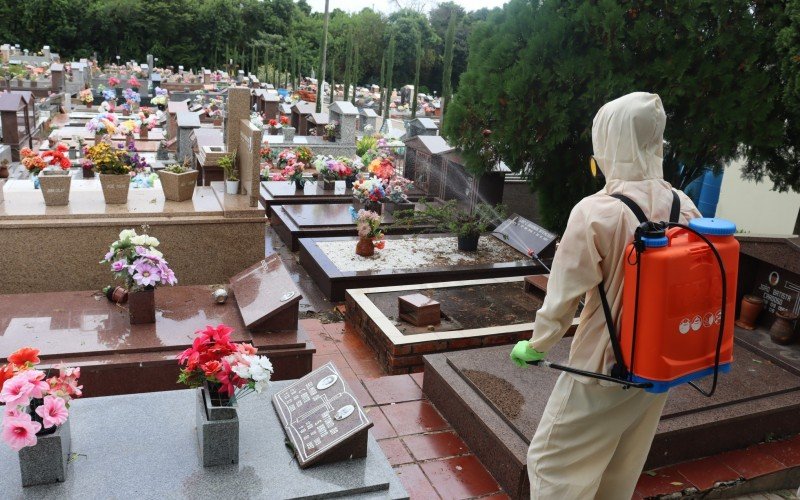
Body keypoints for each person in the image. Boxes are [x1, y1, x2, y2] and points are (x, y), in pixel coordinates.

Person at [510, 92, 702, 499]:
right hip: (659, 365)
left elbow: (563, 298)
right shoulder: (684, 205)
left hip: (603, 366)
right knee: (621, 466)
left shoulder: (596, 212)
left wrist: (536, 345)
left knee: (551, 463)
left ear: (610, 142)